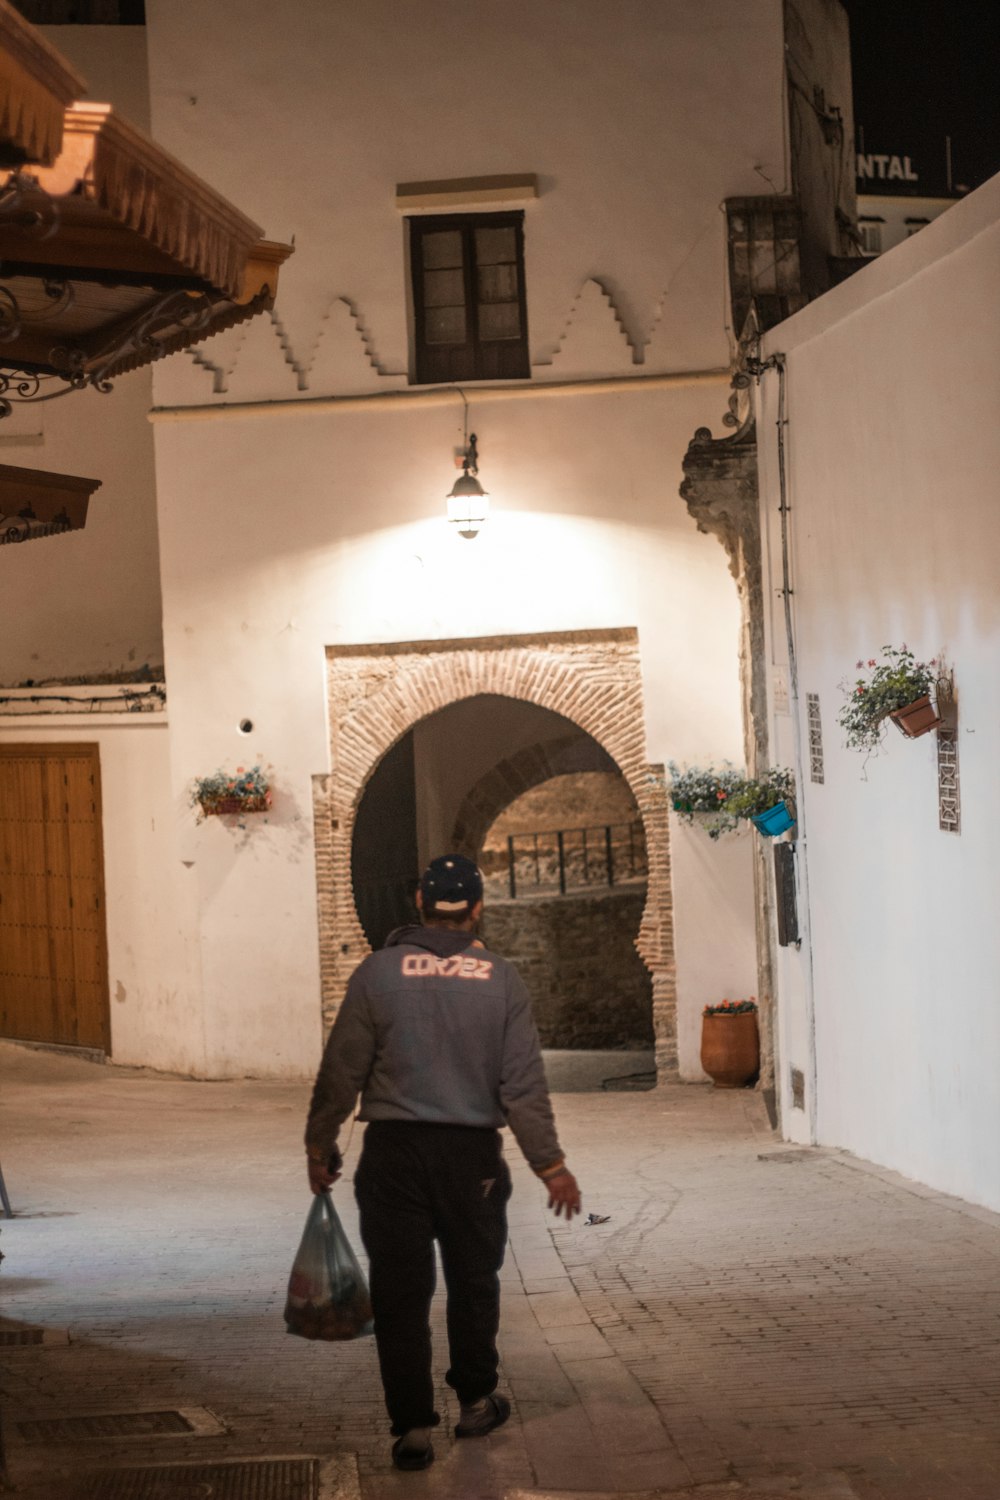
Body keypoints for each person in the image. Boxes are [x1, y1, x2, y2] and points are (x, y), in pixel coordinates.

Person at [305, 853, 581, 1472]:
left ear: (419, 904)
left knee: (401, 1293)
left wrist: (319, 1145)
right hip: (470, 1158)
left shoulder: (376, 975)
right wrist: (551, 1165)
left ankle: (411, 1430)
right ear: (477, 907)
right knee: (473, 1281)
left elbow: (341, 1070)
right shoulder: (501, 979)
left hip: (395, 1154)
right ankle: (476, 1400)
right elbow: (523, 1087)